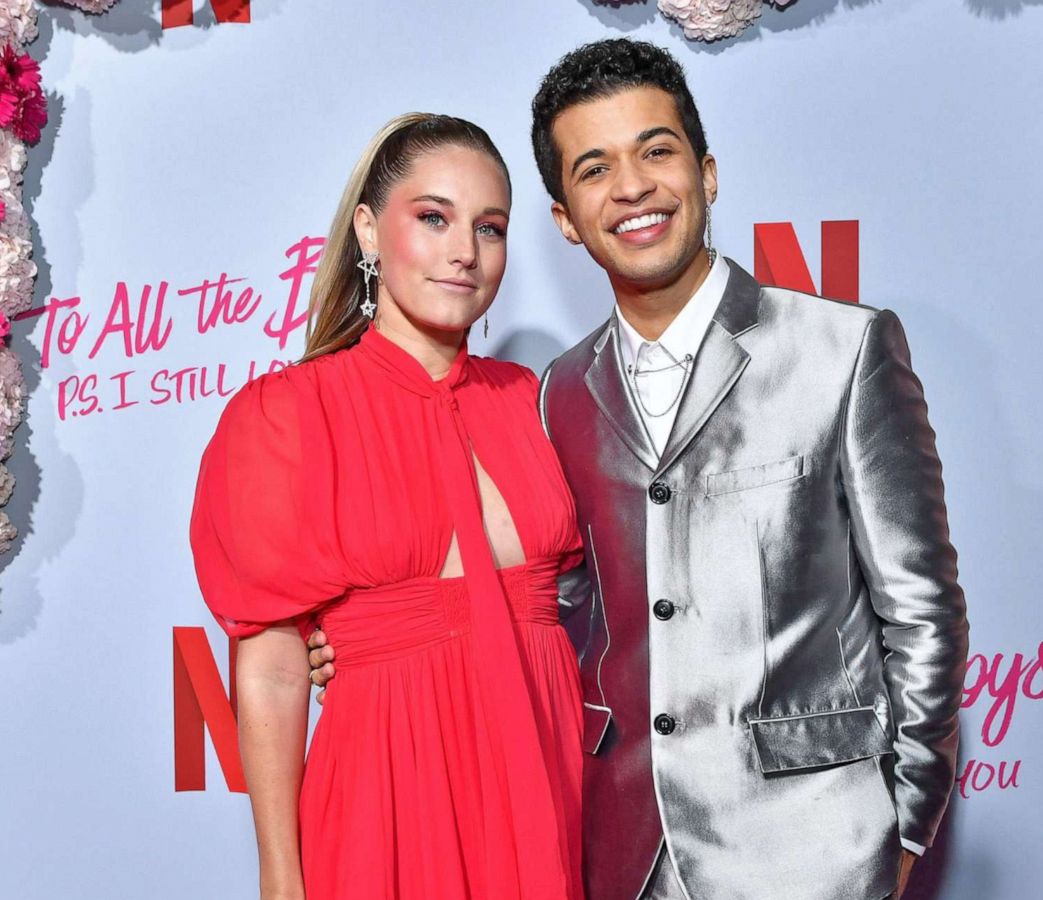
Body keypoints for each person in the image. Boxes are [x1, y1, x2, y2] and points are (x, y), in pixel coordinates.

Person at [310, 40, 970, 900]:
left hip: (818, 848)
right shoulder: (556, 397)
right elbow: (550, 608)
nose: (632, 188)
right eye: (595, 169)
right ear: (565, 219)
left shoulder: (842, 350)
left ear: (707, 171)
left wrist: (904, 829)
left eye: (655, 151)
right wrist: (366, 639)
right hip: (621, 850)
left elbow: (920, 607)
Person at [189, 113, 585, 900]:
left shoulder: (538, 405)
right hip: (385, 793)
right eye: (433, 218)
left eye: (490, 227)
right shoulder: (290, 413)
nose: (464, 251)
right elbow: (269, 665)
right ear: (369, 230)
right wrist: (281, 873)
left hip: (550, 777)